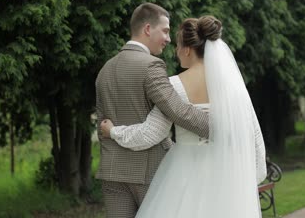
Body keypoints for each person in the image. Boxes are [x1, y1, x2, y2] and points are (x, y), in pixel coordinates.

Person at [101, 16, 267, 218]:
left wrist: (113, 131)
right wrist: (246, 181)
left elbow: (150, 134)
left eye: (178, 46)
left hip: (184, 175)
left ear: (187, 49)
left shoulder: (174, 85)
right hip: (227, 176)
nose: (176, 51)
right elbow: (255, 139)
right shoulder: (234, 87)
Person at [95, 3, 210, 218]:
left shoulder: (105, 69)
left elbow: (102, 124)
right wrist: (218, 127)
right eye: (165, 31)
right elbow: (177, 111)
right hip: (149, 172)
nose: (168, 39)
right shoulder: (151, 66)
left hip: (112, 173)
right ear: (148, 29)